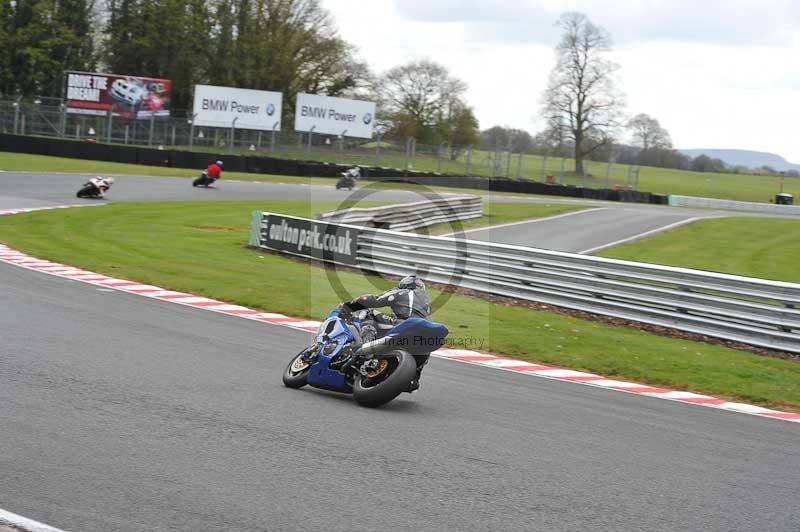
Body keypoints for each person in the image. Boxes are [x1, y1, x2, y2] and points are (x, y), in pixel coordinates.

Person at [340, 275, 431, 391]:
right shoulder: (426, 303)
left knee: (369, 313)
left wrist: (349, 306)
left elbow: (373, 300)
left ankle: (366, 345)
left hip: (403, 325)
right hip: (422, 336)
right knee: (426, 344)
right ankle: (414, 378)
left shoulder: (402, 292)